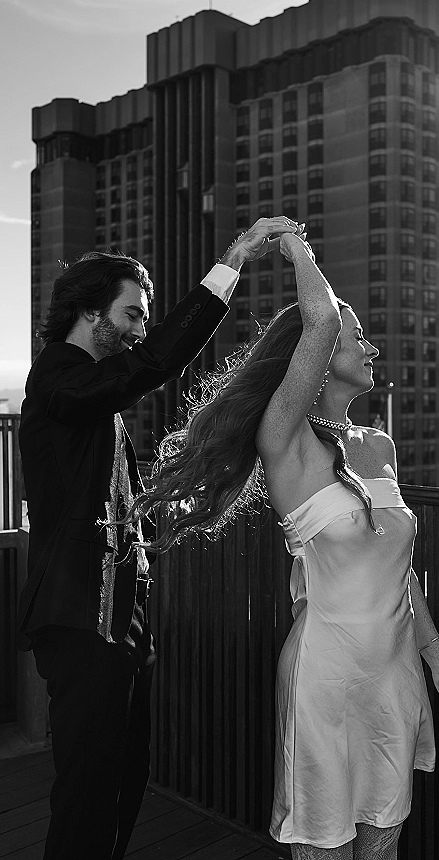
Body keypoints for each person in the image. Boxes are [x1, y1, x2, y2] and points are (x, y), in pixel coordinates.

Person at [129, 231, 439, 860]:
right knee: (324, 850)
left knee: (382, 848)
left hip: (394, 677)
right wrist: (293, 245)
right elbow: (320, 318)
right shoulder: (286, 443)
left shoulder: (377, 445)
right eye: (357, 338)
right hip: (325, 680)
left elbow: (399, 574)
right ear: (317, 355)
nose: (371, 348)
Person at [16, 215, 298, 860]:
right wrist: (233, 261)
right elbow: (156, 362)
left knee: (124, 777)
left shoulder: (91, 394)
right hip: (79, 621)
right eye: (133, 314)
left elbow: (109, 499)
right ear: (90, 313)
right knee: (86, 791)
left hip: (122, 621)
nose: (141, 329)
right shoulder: (57, 378)